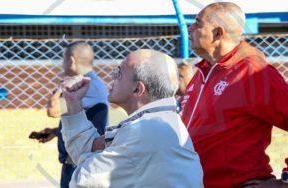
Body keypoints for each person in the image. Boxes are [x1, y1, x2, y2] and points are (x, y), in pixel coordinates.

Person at [180, 2, 288, 187]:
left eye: (198, 23)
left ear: (218, 33)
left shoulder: (252, 72)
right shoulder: (205, 69)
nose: (190, 28)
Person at [60, 49, 204, 187]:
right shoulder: (157, 122)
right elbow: (85, 150)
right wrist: (73, 102)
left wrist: (93, 156)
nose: (112, 76)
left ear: (137, 89)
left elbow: (83, 180)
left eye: (119, 73)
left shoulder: (146, 131)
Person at [30, 41, 109, 188]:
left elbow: (52, 110)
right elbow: (83, 118)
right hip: (77, 162)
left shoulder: (85, 85)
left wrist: (61, 88)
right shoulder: (92, 83)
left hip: (79, 163)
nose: (62, 63)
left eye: (64, 58)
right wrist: (57, 132)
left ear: (71, 60)